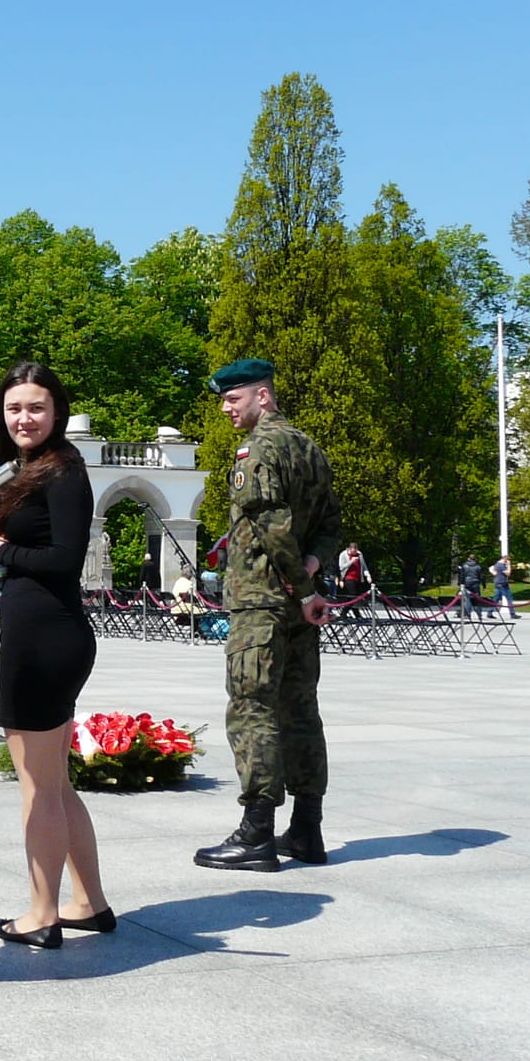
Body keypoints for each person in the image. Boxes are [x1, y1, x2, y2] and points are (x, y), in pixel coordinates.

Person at [0, 363, 114, 949]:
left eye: (36, 407)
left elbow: (64, 559)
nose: (24, 418)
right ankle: (89, 903)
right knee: (55, 784)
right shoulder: (34, 468)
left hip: (43, 641)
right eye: (14, 408)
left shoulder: (63, 471)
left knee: (37, 786)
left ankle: (42, 914)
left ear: (57, 411)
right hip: (43, 634)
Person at [194, 358, 340, 873]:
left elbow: (272, 528)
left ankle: (256, 832)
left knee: (252, 707)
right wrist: (312, 571)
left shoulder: (258, 449)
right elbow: (331, 525)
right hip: (297, 604)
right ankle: (306, 829)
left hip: (261, 601)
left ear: (263, 395)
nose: (226, 409)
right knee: (300, 708)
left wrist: (300, 588)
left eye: (233, 399)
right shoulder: (309, 448)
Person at [491, 554, 520, 619]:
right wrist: (509, 565)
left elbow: (492, 570)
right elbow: (508, 573)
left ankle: (490, 612)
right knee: (509, 598)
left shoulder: (496, 564)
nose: (508, 561)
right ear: (505, 559)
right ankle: (512, 613)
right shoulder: (501, 566)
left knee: (496, 599)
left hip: (498, 583)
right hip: (503, 584)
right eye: (507, 560)